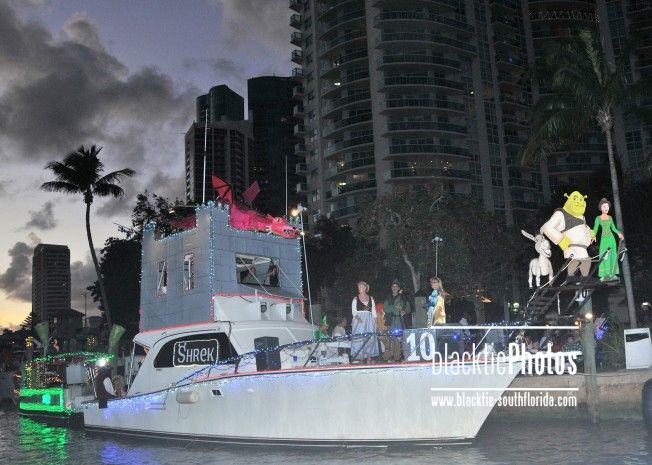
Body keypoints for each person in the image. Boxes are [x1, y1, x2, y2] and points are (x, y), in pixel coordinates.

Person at [592, 198, 624, 281]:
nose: (606, 208)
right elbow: (595, 229)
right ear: (600, 208)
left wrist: (619, 233)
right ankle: (604, 275)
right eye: (604, 206)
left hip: (611, 239)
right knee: (604, 255)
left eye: (607, 206)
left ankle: (612, 274)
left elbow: (613, 228)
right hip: (604, 240)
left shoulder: (610, 217)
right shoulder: (598, 218)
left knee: (613, 255)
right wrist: (593, 235)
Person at [351, 281, 379, 364]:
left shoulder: (371, 298)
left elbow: (373, 312)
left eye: (360, 287)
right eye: (358, 287)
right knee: (360, 338)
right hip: (359, 320)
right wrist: (359, 319)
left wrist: (376, 323)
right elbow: (354, 312)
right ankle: (361, 358)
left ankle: (369, 357)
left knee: (370, 338)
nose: (359, 288)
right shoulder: (355, 298)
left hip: (369, 320)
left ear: (365, 288)